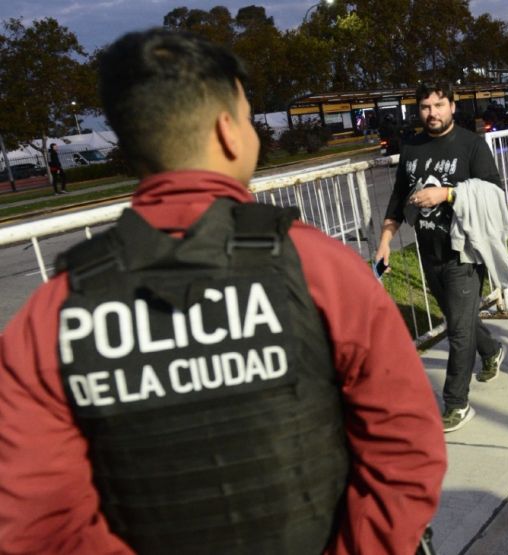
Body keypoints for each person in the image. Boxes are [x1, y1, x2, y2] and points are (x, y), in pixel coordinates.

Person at [0, 29, 447, 554]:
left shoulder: (53, 315)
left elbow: (35, 522)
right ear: (228, 132)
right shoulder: (322, 270)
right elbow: (406, 452)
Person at [375, 81, 505, 433]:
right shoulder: (412, 147)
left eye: (438, 105)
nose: (432, 113)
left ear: (452, 106)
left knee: (458, 333)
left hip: (464, 252)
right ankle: (491, 350)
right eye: (425, 107)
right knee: (460, 319)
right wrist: (385, 241)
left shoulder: (471, 145)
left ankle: (456, 403)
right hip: (429, 251)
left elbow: (494, 191)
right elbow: (399, 197)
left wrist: (446, 194)